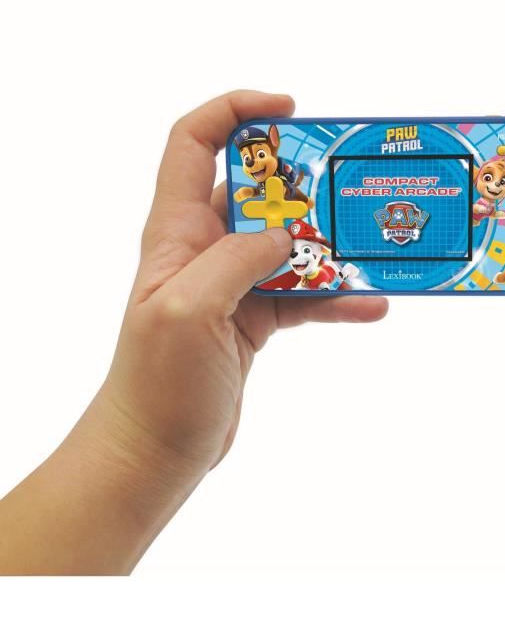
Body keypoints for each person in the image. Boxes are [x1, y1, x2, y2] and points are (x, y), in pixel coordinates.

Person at [0, 90, 389, 575]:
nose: (255, 162)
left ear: (272, 149)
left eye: (259, 154)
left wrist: (151, 445)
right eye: (250, 157)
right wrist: (151, 445)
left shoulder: (284, 185)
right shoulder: (264, 195)